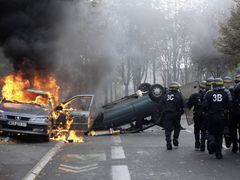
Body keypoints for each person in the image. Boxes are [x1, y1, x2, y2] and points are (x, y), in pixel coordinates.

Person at [203, 78, 232, 159]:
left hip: (211, 116)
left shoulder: (209, 93)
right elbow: (229, 105)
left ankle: (212, 142)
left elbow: (204, 106)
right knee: (219, 134)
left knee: (211, 132)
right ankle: (219, 152)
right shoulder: (225, 93)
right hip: (222, 116)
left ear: (213, 85)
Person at [161, 82, 184, 150]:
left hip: (167, 114)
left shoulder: (165, 95)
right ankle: (175, 139)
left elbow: (161, 104)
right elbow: (182, 105)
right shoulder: (179, 95)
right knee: (177, 127)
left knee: (168, 129)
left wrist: (164, 112)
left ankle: (168, 143)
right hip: (176, 114)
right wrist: (180, 113)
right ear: (177, 88)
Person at [187, 81, 207, 151]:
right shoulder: (208, 94)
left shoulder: (194, 95)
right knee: (204, 130)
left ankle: (197, 143)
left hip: (197, 114)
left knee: (197, 129)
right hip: (205, 114)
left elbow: (188, 105)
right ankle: (203, 144)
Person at [231, 74, 240, 152]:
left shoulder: (235, 88)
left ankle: (234, 146)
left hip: (236, 111)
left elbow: (232, 100)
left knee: (233, 128)